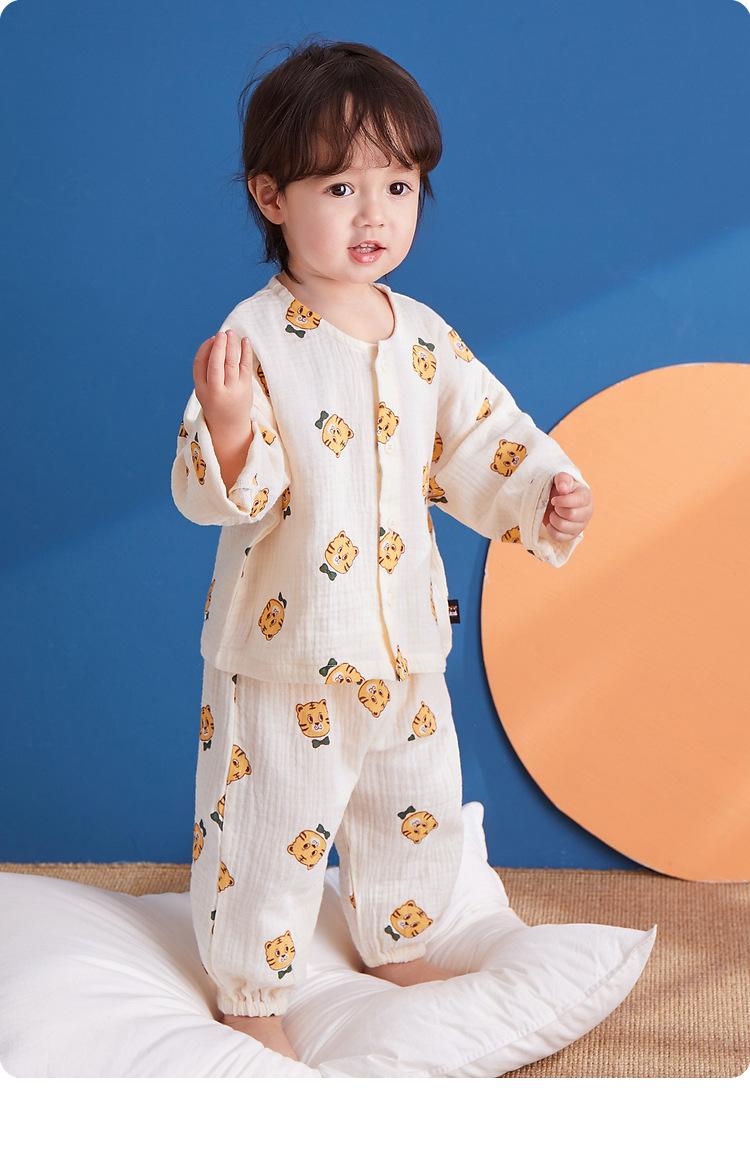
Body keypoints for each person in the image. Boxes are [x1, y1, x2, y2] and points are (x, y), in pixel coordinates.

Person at [171, 38, 594, 1063]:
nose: (374, 214)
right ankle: (250, 986)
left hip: (404, 635)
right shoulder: (255, 335)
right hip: (288, 650)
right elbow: (229, 490)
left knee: (414, 799)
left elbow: (484, 437)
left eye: (398, 186)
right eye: (340, 186)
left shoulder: (425, 336)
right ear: (271, 196)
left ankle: (398, 939)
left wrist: (544, 491)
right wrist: (228, 424)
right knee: (270, 815)